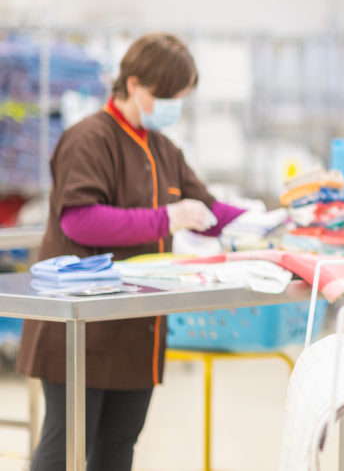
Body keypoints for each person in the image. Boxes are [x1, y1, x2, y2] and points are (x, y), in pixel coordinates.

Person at [17, 33, 246, 471]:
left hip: (136, 329)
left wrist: (265, 221)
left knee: (119, 447)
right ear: (136, 85)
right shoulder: (89, 140)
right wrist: (166, 218)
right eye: (169, 95)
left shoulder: (162, 148)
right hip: (81, 329)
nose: (175, 105)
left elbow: (207, 210)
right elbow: (79, 219)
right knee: (67, 447)